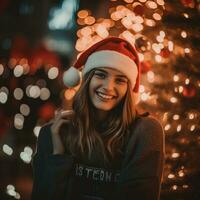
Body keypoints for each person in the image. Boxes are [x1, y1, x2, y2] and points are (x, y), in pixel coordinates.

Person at [31, 37, 165, 200]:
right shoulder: (53, 134)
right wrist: (58, 154)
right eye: (101, 75)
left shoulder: (145, 132)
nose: (108, 87)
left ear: (129, 90)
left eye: (120, 80)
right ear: (87, 80)